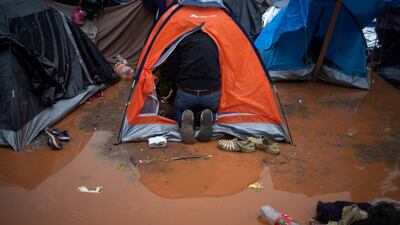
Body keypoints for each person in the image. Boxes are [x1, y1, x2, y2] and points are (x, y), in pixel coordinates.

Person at [159, 30, 221, 144]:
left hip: (187, 92)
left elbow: (171, 70)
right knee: (212, 109)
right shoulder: (217, 41)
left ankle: (184, 119)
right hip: (211, 93)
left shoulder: (181, 41)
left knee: (176, 110)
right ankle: (208, 116)